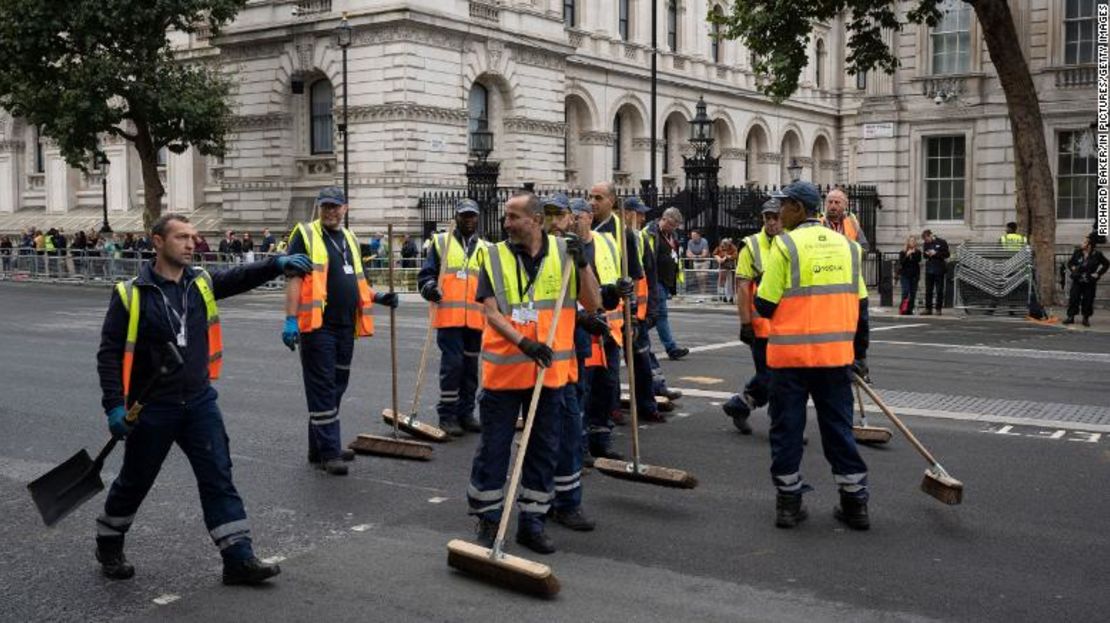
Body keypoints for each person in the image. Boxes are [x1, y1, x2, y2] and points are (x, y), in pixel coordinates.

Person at [95, 213, 313, 584]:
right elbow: (109, 353)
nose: (191, 243)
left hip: (198, 401)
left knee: (218, 475)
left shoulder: (201, 282)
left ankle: (238, 558)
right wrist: (115, 406)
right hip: (151, 407)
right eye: (182, 237)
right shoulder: (130, 294)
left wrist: (276, 263)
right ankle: (109, 539)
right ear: (157, 242)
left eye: (194, 237)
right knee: (136, 479)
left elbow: (240, 277)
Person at [467, 191, 601, 555]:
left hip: (548, 375)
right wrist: (523, 344)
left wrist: (584, 263)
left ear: (536, 220)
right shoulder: (493, 256)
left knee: (543, 450)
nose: (506, 223)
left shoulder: (563, 254)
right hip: (504, 374)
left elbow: (593, 303)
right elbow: (491, 313)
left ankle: (533, 521)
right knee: (494, 448)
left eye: (514, 216)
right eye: (506, 216)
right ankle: (489, 518)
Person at [755, 181, 872, 531]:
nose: (779, 214)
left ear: (798, 208)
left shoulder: (785, 245)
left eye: (783, 207)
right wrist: (860, 357)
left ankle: (788, 505)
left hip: (790, 361)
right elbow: (862, 309)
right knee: (838, 430)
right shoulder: (849, 248)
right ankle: (855, 505)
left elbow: (765, 304)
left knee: (787, 430)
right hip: (835, 359)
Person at [282, 186, 399, 476]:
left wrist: (379, 296)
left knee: (336, 386)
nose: (330, 212)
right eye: (325, 207)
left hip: (346, 325)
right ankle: (330, 451)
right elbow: (294, 279)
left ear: (345, 208)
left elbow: (357, 282)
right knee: (322, 388)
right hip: (318, 326)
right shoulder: (306, 234)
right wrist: (290, 319)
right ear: (319, 208)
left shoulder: (349, 238)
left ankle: (319, 446)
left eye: (335, 207)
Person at [548, 195, 606, 531]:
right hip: (531, 360)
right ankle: (536, 502)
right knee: (542, 436)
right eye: (549, 215)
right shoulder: (526, 254)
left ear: (571, 219)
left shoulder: (575, 252)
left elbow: (592, 299)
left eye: (561, 215)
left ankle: (567, 502)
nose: (555, 222)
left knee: (570, 430)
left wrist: (582, 263)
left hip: (565, 358)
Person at [417, 199, 488, 436]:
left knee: (470, 368)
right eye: (464, 216)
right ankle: (447, 414)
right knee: (453, 365)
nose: (469, 220)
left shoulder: (485, 248)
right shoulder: (440, 242)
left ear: (477, 218)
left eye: (472, 216)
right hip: (449, 317)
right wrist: (429, 288)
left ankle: (465, 413)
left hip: (475, 320)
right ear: (456, 217)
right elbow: (426, 275)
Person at [586, 183, 644, 435]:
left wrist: (635, 315)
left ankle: (603, 428)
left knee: (608, 377)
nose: (592, 202)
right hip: (587, 316)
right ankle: (589, 428)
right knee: (588, 379)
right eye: (590, 197)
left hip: (613, 317)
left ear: (611, 200)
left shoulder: (622, 234)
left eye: (598, 197)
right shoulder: (582, 228)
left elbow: (635, 276)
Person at [723, 198, 783, 433]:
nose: (771, 222)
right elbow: (742, 287)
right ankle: (783, 426)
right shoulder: (751, 245)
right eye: (767, 218)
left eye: (775, 217)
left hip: (787, 326)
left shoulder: (790, 242)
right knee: (772, 378)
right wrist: (745, 323)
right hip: (761, 328)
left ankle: (741, 404)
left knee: (779, 377)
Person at [642, 207, 690, 360]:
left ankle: (638, 339)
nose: (674, 228)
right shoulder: (650, 233)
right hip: (654, 280)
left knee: (654, 316)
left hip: (665, 281)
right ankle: (670, 347)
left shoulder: (672, 235)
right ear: (665, 219)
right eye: (673, 225)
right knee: (660, 315)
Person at [1064, 234, 1109, 326]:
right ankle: (1070, 317)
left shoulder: (1097, 254)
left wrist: (1098, 273)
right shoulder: (1078, 252)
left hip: (1089, 280)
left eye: (1084, 242)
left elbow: (1106, 264)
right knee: (1074, 298)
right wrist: (1072, 268)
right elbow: (1070, 263)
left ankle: (1086, 318)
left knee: (1088, 299)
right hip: (1077, 279)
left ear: (1090, 245)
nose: (1082, 243)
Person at [921, 229, 950, 315]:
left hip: (939, 269)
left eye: (927, 239)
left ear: (931, 235)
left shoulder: (942, 242)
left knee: (939, 290)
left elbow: (947, 254)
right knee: (928, 290)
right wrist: (927, 253)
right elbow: (924, 255)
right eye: (925, 240)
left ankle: (938, 308)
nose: (927, 241)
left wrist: (935, 253)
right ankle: (928, 308)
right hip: (929, 269)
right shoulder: (926, 244)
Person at [897, 235, 922, 315]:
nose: (912, 243)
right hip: (905, 274)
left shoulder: (918, 252)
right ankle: (903, 308)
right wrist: (907, 255)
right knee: (905, 291)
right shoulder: (902, 252)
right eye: (911, 241)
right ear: (908, 242)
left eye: (914, 241)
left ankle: (910, 309)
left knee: (912, 293)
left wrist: (913, 254)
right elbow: (901, 262)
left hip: (914, 275)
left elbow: (917, 261)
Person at [685, 229, 711, 295]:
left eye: (694, 235)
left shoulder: (704, 241)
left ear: (699, 235)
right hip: (696, 261)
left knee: (703, 276)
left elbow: (704, 254)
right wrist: (695, 256)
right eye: (692, 235)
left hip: (704, 261)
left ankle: (703, 292)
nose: (692, 237)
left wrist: (694, 256)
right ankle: (701, 292)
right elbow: (688, 253)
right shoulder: (690, 242)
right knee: (698, 277)